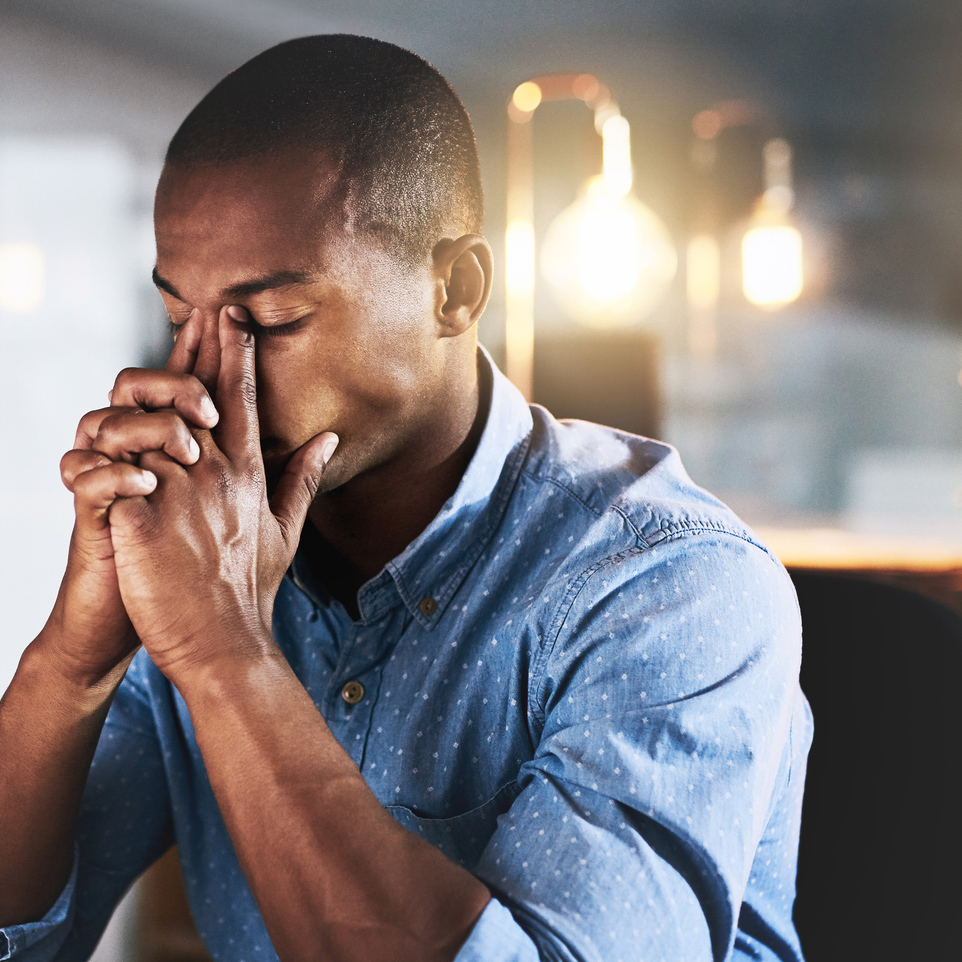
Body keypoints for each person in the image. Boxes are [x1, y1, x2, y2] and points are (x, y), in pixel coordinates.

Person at [0, 34, 812, 962]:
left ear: (456, 290)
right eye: (181, 315)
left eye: (272, 320)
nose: (207, 377)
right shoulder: (204, 550)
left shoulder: (672, 584)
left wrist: (225, 651)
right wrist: (72, 662)